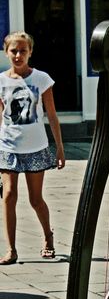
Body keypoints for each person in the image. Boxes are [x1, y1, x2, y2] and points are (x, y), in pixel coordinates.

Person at [0, 31, 65, 265]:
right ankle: (11, 249)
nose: (18, 55)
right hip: (8, 146)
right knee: (8, 195)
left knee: (35, 199)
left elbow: (52, 116)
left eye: (23, 51)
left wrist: (59, 148)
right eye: (13, 51)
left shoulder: (41, 79)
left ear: (30, 52)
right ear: (6, 52)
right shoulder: (1, 80)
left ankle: (48, 237)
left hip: (36, 146)